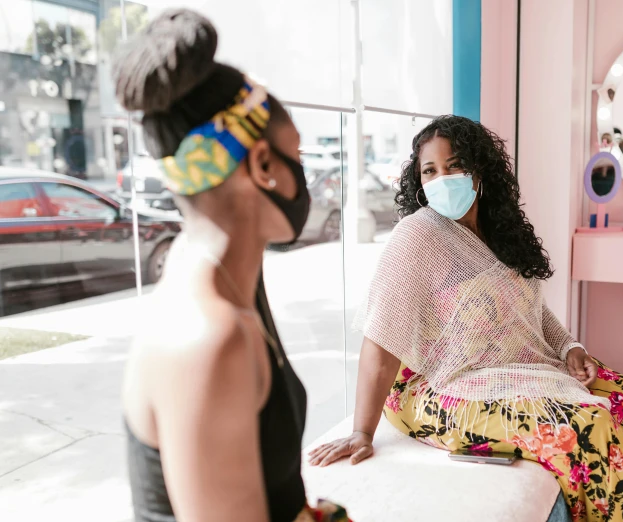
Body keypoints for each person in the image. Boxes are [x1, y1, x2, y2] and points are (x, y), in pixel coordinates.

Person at [310, 116, 623, 522]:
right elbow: (380, 339)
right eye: (429, 171)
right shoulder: (417, 237)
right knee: (585, 425)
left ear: (479, 170)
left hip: (507, 369)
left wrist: (570, 347)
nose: (442, 179)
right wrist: (362, 432)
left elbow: (530, 311)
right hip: (437, 386)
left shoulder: (501, 233)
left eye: (454, 165)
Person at [116, 10, 348, 522]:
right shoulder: (208, 337)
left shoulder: (227, 276)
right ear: (264, 165)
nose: (306, 177)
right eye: (299, 157)